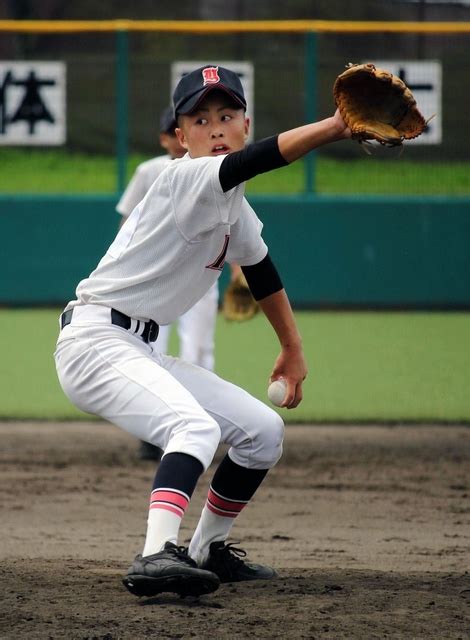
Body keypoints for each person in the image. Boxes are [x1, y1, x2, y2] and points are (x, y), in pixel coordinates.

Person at [54, 64, 350, 599]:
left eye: (227, 115)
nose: (215, 127)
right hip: (95, 344)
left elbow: (261, 270)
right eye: (200, 119)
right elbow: (257, 160)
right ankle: (153, 554)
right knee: (193, 427)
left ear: (245, 121)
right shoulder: (183, 177)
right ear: (181, 136)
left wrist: (292, 348)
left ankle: (205, 549)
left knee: (262, 432)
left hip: (138, 349)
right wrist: (333, 128)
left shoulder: (235, 208)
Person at [116, 106, 240, 462]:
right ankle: (153, 432)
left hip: (199, 279)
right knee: (148, 351)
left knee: (198, 351)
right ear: (168, 137)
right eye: (173, 131)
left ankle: (202, 426)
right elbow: (127, 226)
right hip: (152, 282)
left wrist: (239, 271)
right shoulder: (150, 170)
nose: (177, 137)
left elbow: (231, 228)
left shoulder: (218, 172)